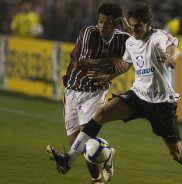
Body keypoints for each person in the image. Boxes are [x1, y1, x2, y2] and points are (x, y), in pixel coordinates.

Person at [47, 3, 182, 184]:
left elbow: (173, 48)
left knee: (176, 153)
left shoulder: (158, 37)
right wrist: (108, 76)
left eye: (138, 26)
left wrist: (172, 58)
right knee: (101, 114)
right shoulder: (131, 42)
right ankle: (68, 160)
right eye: (132, 26)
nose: (135, 30)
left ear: (148, 23)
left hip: (161, 103)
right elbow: (125, 65)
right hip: (138, 96)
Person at [47, 3, 131, 184]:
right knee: (76, 143)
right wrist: (111, 59)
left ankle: (96, 180)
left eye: (107, 23)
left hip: (95, 93)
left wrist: (111, 74)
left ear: (115, 24)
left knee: (87, 138)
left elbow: (133, 59)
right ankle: (107, 154)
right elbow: (81, 63)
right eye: (100, 21)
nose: (102, 26)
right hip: (72, 89)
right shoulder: (88, 32)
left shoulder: (124, 39)